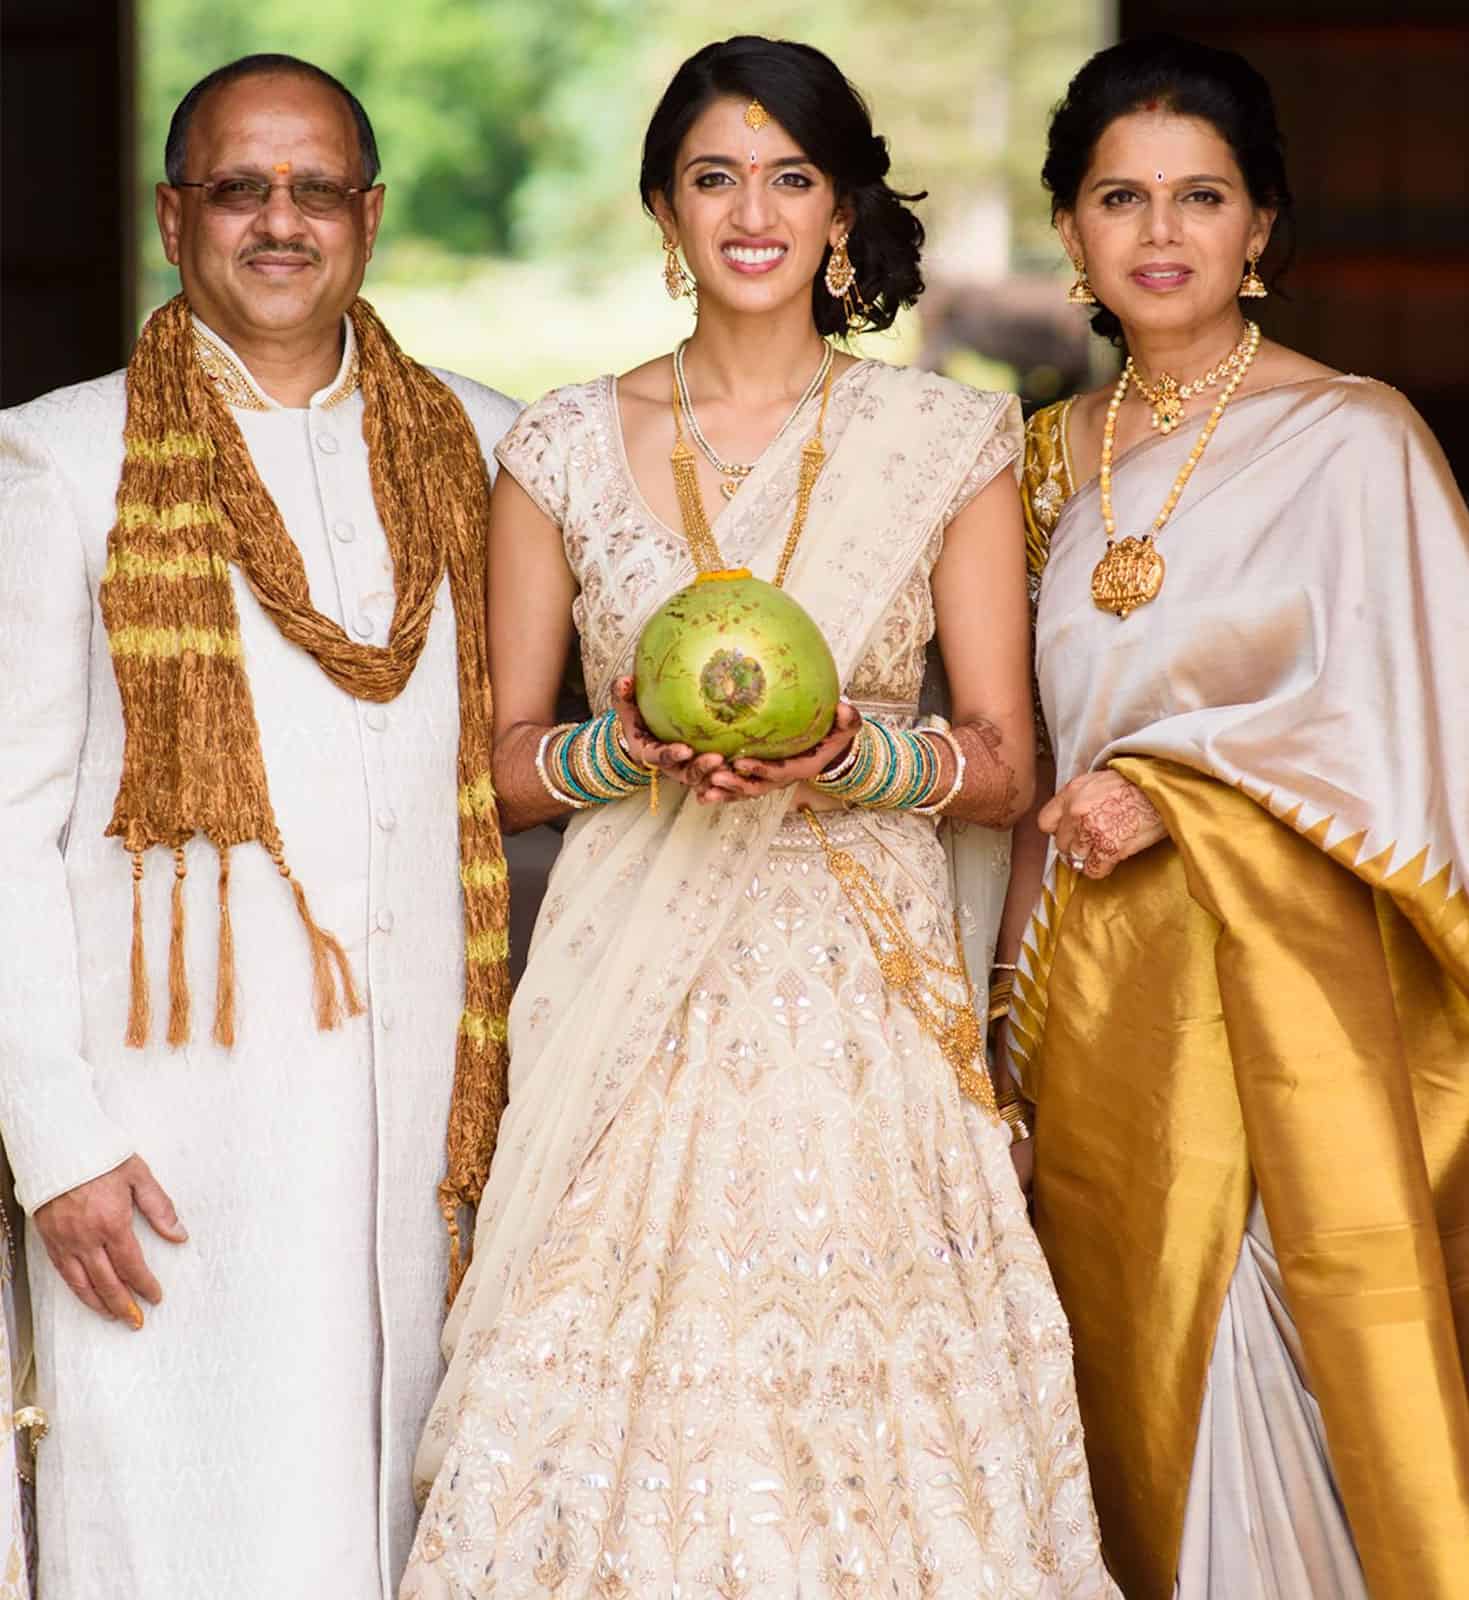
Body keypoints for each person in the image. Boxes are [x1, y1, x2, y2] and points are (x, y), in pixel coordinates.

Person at [400, 35, 1118, 1600]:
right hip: (624, 1015)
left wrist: (849, 763)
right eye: (714, 176)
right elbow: (501, 765)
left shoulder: (940, 442)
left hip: (860, 1015)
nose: (753, 210)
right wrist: (632, 751)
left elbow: (999, 761)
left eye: (791, 176)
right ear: (661, 211)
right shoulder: (562, 446)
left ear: (842, 210)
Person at [0, 54, 519, 1598]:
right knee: (179, 1522)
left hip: (436, 1114)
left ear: (368, 215)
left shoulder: (489, 451)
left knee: (419, 1512)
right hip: (170, 1139)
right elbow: (4, 819)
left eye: (312, 190)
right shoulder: (60, 459)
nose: (277, 221)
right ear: (175, 217)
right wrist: (55, 1142)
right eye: (240, 187)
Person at [998, 32, 1469, 1600]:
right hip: (1086, 1007)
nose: (1158, 233)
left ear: (1260, 226)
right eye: (1117, 197)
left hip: (1289, 1013)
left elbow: (1420, 737)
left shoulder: (1356, 441)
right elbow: (1016, 748)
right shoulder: (1037, 469)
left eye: (1199, 197)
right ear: (1067, 228)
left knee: (1270, 1375)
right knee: (1112, 1393)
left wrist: (1184, 791)